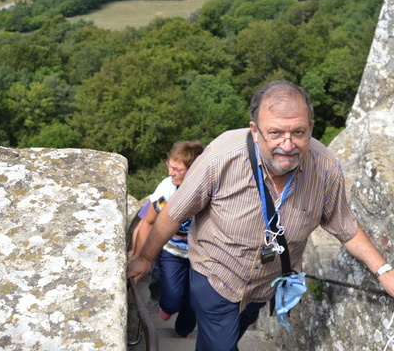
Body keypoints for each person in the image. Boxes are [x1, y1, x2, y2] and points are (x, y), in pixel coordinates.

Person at [128, 80, 394, 351]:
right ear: (255, 131)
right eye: (275, 133)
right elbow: (174, 212)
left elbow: (344, 226)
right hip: (215, 276)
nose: (288, 145)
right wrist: (145, 258)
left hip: (264, 286)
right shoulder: (221, 156)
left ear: (311, 128)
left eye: (298, 132)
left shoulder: (325, 169)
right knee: (219, 344)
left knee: (234, 332)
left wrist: (384, 272)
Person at [130, 140, 204, 339]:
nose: (171, 172)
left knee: (195, 300)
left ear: (194, 171)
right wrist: (138, 256)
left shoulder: (209, 191)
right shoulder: (166, 190)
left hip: (201, 256)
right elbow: (146, 222)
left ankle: (183, 330)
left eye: (177, 169)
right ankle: (167, 304)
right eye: (170, 166)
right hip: (172, 252)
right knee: (172, 301)